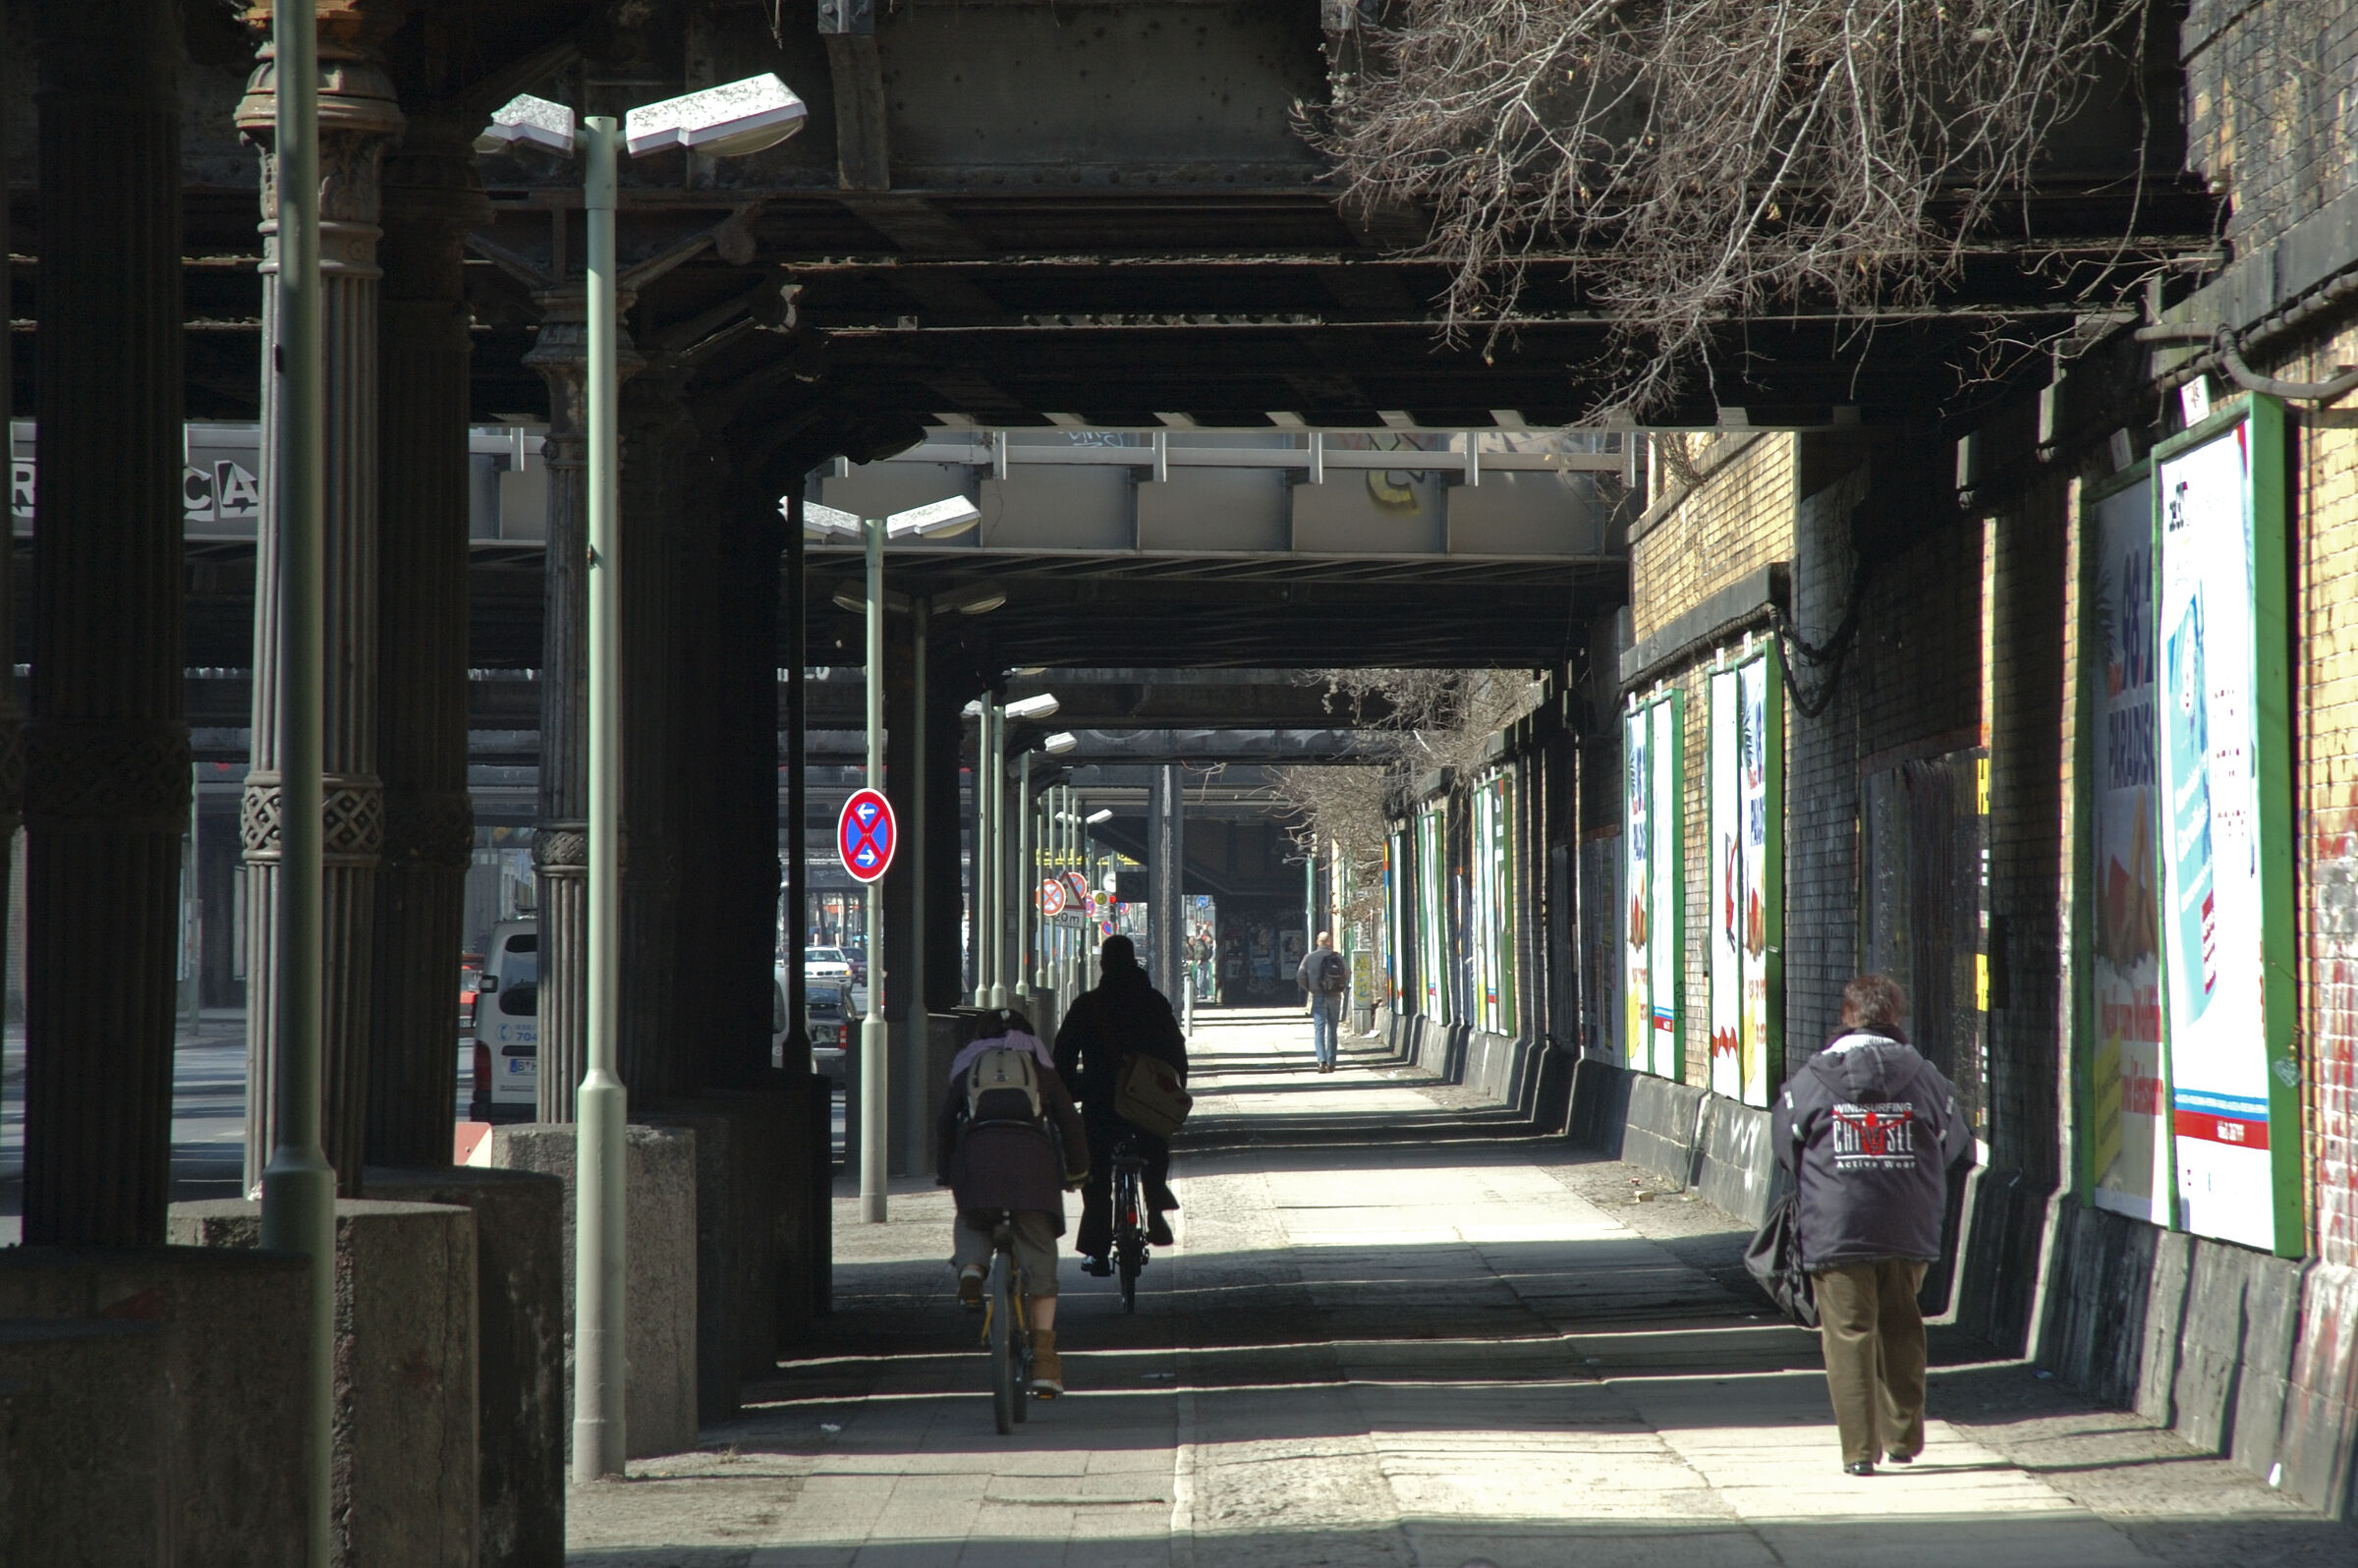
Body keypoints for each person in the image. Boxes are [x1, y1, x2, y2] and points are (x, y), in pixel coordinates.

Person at [1773, 975, 1972, 1476]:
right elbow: (1955, 1144)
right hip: (1907, 1224)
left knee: (1848, 1333)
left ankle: (1860, 1452)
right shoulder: (1926, 1078)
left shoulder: (1813, 1080)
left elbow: (1785, 1144)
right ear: (1896, 1018)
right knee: (1902, 1327)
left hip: (1836, 1226)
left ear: (1846, 1016)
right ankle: (1903, 1436)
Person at [935, 1008, 1090, 1396]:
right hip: (1032, 1172)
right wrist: (1078, 1171)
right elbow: (1069, 1122)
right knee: (1040, 1264)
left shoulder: (969, 1063)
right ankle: (1044, 1365)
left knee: (972, 1219)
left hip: (979, 1163)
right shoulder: (1038, 1062)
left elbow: (944, 1122)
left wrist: (946, 1171)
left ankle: (972, 1267)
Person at [1054, 934, 1189, 1269]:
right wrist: (1175, 1089)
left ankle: (1098, 1249)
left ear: (1103, 965)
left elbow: (1064, 1054)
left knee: (1096, 1172)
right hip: (1146, 1100)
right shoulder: (1154, 1002)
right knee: (1154, 1147)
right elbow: (1175, 1049)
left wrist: (1066, 1094)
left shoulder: (1088, 1005)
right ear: (1134, 962)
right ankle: (1155, 1203)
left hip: (1101, 1099)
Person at [1296, 930, 1348, 1074]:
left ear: (1318, 942)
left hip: (1318, 996)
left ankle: (1321, 1061)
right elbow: (1347, 973)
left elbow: (1300, 976)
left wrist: (1311, 988)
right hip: (1335, 996)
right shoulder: (1337, 957)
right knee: (1332, 1030)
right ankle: (1332, 1063)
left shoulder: (1309, 957)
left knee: (1319, 1030)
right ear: (1330, 942)